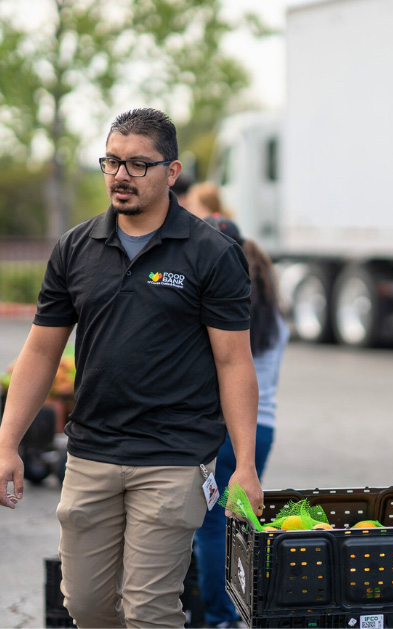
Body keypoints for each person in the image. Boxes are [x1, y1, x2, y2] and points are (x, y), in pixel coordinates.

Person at [0, 108, 264, 628]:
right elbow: (40, 352)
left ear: (172, 171)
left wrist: (247, 465)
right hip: (92, 450)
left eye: (138, 164)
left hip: (174, 455)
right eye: (112, 162)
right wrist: (7, 441)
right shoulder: (76, 248)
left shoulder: (211, 253)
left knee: (149, 608)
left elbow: (234, 361)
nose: (121, 175)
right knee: (86, 605)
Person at [193, 215, 289, 628]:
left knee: (211, 526)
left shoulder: (220, 310)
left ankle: (221, 615)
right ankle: (241, 609)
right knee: (238, 524)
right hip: (261, 430)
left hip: (224, 430)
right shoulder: (273, 315)